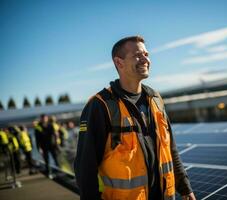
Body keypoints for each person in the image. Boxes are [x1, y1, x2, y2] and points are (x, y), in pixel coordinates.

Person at [74, 36, 196, 200]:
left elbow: (171, 149)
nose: (146, 59)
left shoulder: (156, 99)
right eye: (138, 55)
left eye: (146, 54)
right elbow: (85, 167)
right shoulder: (100, 106)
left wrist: (185, 188)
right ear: (119, 62)